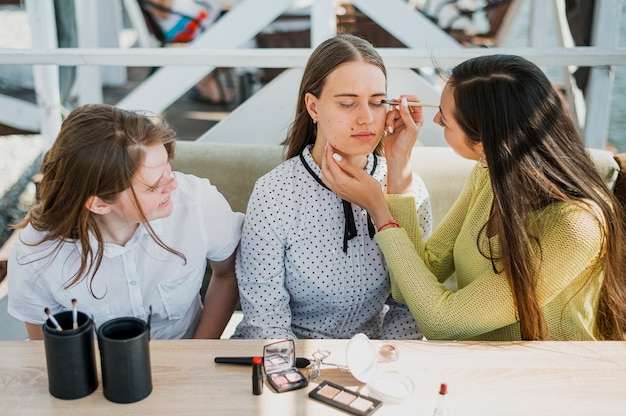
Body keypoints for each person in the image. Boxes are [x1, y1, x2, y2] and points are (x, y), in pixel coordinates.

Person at [322, 54, 626, 341]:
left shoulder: (576, 228)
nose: (436, 121)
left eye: (445, 118)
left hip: (549, 380)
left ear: (483, 143)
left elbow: (441, 322)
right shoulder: (489, 174)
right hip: (479, 370)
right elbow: (412, 283)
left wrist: (379, 210)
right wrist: (398, 163)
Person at [232, 34, 432, 340]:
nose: (366, 118)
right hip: (290, 363)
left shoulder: (408, 188)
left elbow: (412, 308)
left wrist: (382, 365)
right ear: (313, 106)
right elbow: (266, 322)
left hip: (374, 364)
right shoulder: (274, 193)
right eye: (347, 103)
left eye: (378, 102)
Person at [7, 103, 244, 340]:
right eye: (153, 186)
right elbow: (45, 347)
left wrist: (198, 353)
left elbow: (227, 273)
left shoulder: (197, 201)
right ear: (100, 204)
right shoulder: (36, 253)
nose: (172, 184)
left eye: (167, 167)